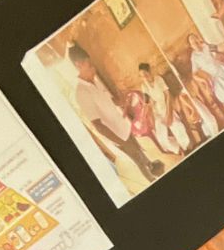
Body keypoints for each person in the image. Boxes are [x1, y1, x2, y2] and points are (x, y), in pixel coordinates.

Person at [67, 43, 164, 183]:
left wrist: (120, 101)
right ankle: (152, 180)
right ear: (79, 65)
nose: (93, 68)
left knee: (138, 149)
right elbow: (98, 125)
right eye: (89, 65)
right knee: (136, 158)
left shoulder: (95, 81)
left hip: (122, 125)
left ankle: (151, 165)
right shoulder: (81, 93)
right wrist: (120, 142)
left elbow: (110, 100)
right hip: (116, 134)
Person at [137, 61, 190, 155]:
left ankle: (186, 148)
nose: (144, 77)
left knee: (177, 127)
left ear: (149, 71)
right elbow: (146, 103)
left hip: (166, 107)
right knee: (161, 137)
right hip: (157, 112)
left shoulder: (158, 79)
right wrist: (142, 118)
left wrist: (169, 114)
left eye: (145, 74)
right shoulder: (144, 86)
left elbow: (168, 96)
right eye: (141, 76)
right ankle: (178, 149)